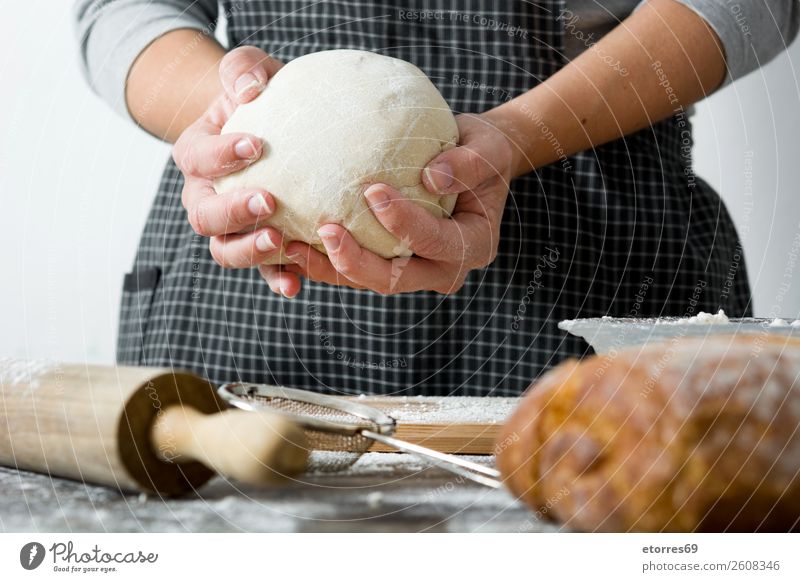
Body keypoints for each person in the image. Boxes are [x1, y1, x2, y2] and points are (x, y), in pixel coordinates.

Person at [74, 0, 797, 396]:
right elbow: (119, 8)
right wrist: (242, 120)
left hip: (604, 262)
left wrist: (516, 137)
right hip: (248, 292)